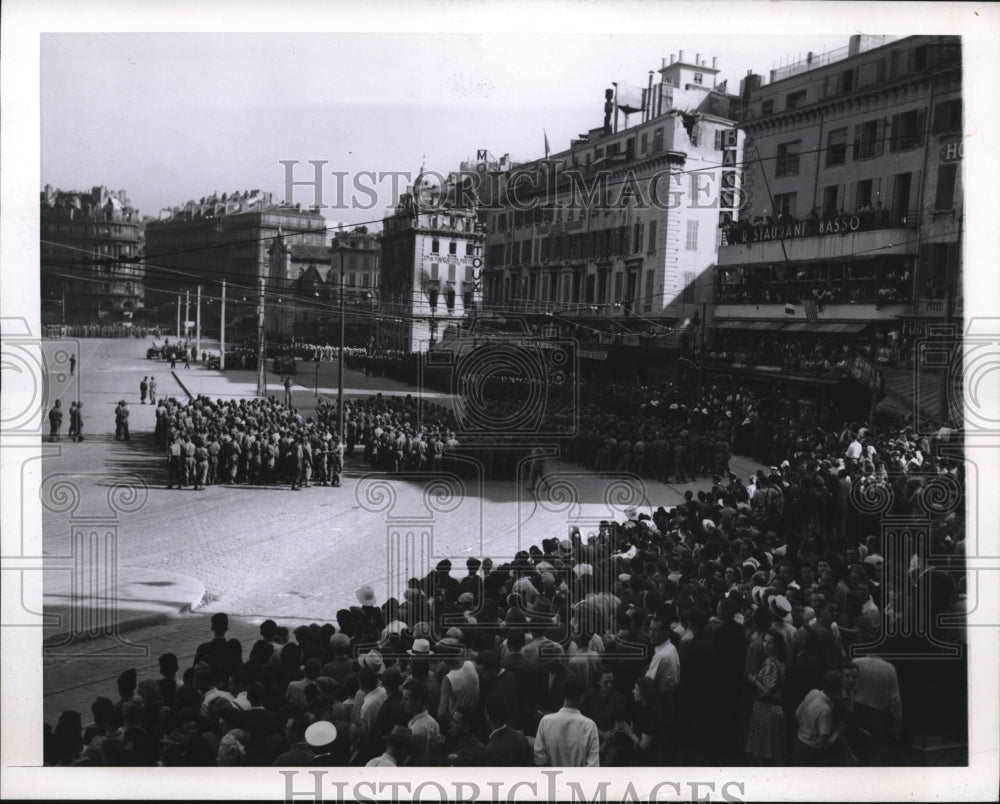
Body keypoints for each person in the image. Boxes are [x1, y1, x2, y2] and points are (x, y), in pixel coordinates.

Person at [532, 674, 600, 767]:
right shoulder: (589, 726)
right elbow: (593, 766)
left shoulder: (545, 721)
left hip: (553, 778)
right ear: (582, 697)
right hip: (579, 780)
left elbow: (539, 760)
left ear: (563, 693)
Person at [745, 629, 788, 764]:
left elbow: (767, 691)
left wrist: (753, 681)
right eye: (765, 641)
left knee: (762, 752)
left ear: (777, 646)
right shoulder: (780, 661)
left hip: (766, 709)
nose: (765, 645)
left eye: (770, 643)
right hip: (774, 710)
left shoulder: (770, 663)